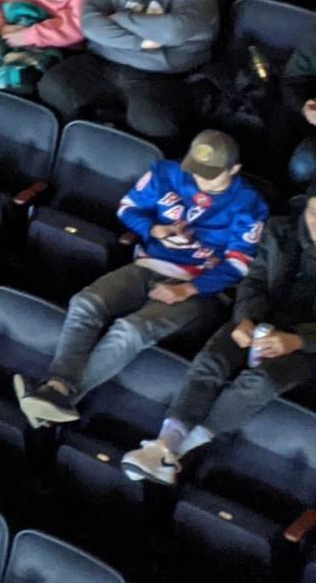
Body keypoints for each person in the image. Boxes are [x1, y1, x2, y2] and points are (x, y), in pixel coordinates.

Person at [18, 132, 266, 428]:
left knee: (131, 330)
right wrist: (155, 229)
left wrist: (188, 289)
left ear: (234, 170)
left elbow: (238, 266)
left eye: (210, 176)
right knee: (85, 303)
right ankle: (58, 391)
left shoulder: (249, 204)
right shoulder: (167, 172)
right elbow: (128, 209)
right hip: (148, 263)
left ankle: (52, 398)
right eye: (196, 171)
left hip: (200, 288)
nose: (200, 180)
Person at [122, 191, 316, 487]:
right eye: (314, 211)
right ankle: (164, 443)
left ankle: (181, 449)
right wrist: (246, 320)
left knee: (259, 382)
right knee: (211, 360)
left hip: (305, 344)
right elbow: (255, 280)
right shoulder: (280, 229)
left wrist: (298, 341)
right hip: (261, 320)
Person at [36, 0, 217, 144]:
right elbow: (90, 24)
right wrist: (140, 43)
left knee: (156, 121)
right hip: (103, 61)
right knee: (53, 86)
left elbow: (174, 30)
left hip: (161, 73)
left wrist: (120, 17)